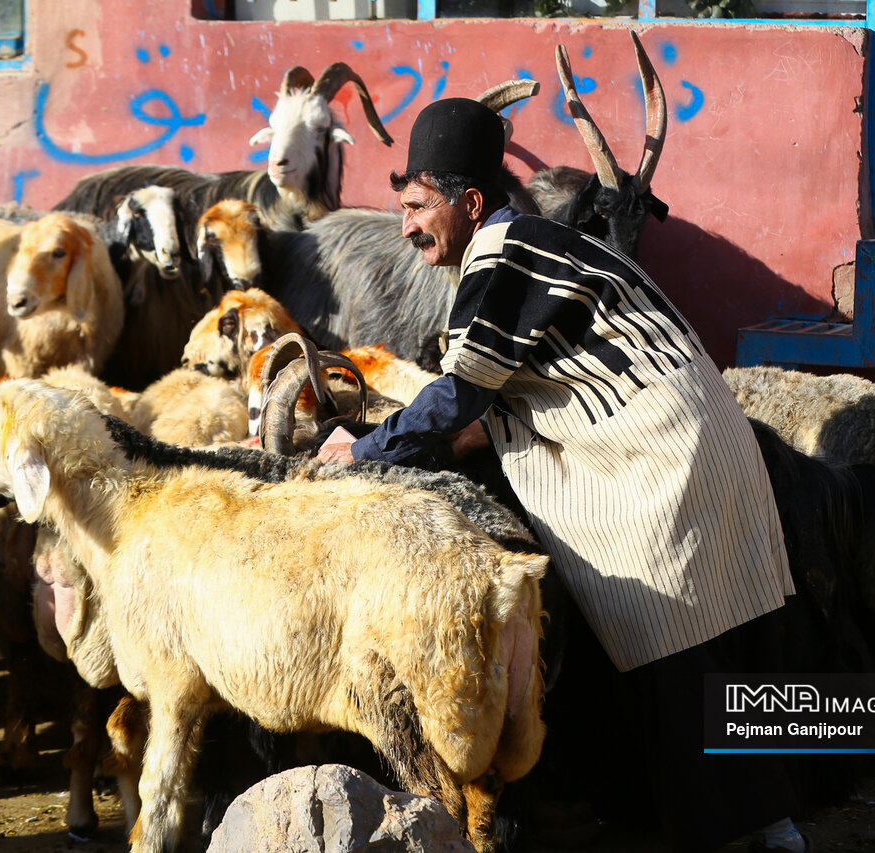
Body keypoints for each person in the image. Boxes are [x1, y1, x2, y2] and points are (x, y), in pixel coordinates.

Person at [318, 97, 810, 853]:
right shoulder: (536, 244)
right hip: (686, 440)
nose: (407, 226)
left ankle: (758, 833)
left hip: (660, 458)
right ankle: (754, 822)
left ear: (469, 202)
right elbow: (512, 395)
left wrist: (363, 450)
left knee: (671, 641)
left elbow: (458, 394)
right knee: (700, 642)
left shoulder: (504, 256)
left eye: (418, 206)